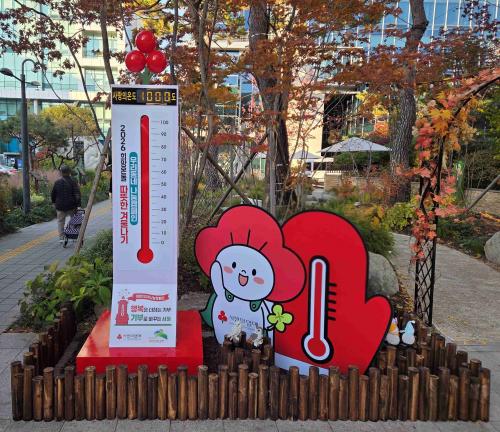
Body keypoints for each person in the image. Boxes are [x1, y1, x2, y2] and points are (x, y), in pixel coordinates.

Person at [51, 165, 81, 243]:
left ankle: (61, 238)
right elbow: (77, 194)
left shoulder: (57, 182)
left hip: (60, 206)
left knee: (60, 221)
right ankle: (73, 237)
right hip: (71, 205)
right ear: (69, 172)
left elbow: (53, 194)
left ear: (61, 172)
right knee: (74, 220)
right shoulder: (73, 182)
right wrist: (78, 205)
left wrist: (53, 203)